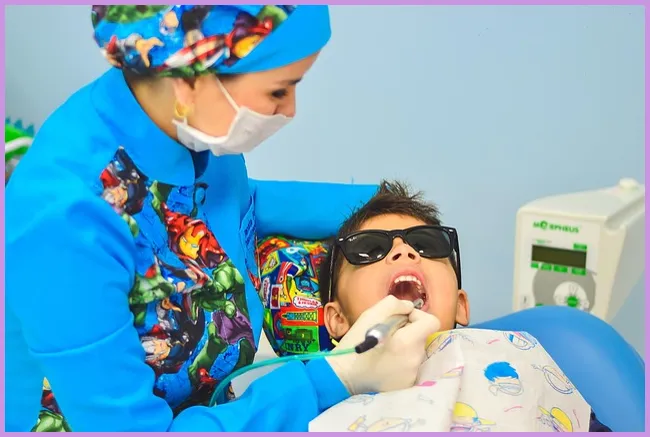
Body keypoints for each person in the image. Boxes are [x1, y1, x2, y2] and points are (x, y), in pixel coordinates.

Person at [4, 6, 438, 432]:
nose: (290, 110)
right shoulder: (66, 221)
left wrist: (389, 209)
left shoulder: (186, 127)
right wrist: (337, 378)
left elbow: (223, 206)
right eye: (278, 91)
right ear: (190, 77)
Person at [316, 180, 612, 432]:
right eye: (369, 249)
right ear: (337, 319)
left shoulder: (519, 358)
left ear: (460, 305)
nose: (403, 251)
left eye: (427, 245)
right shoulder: (316, 402)